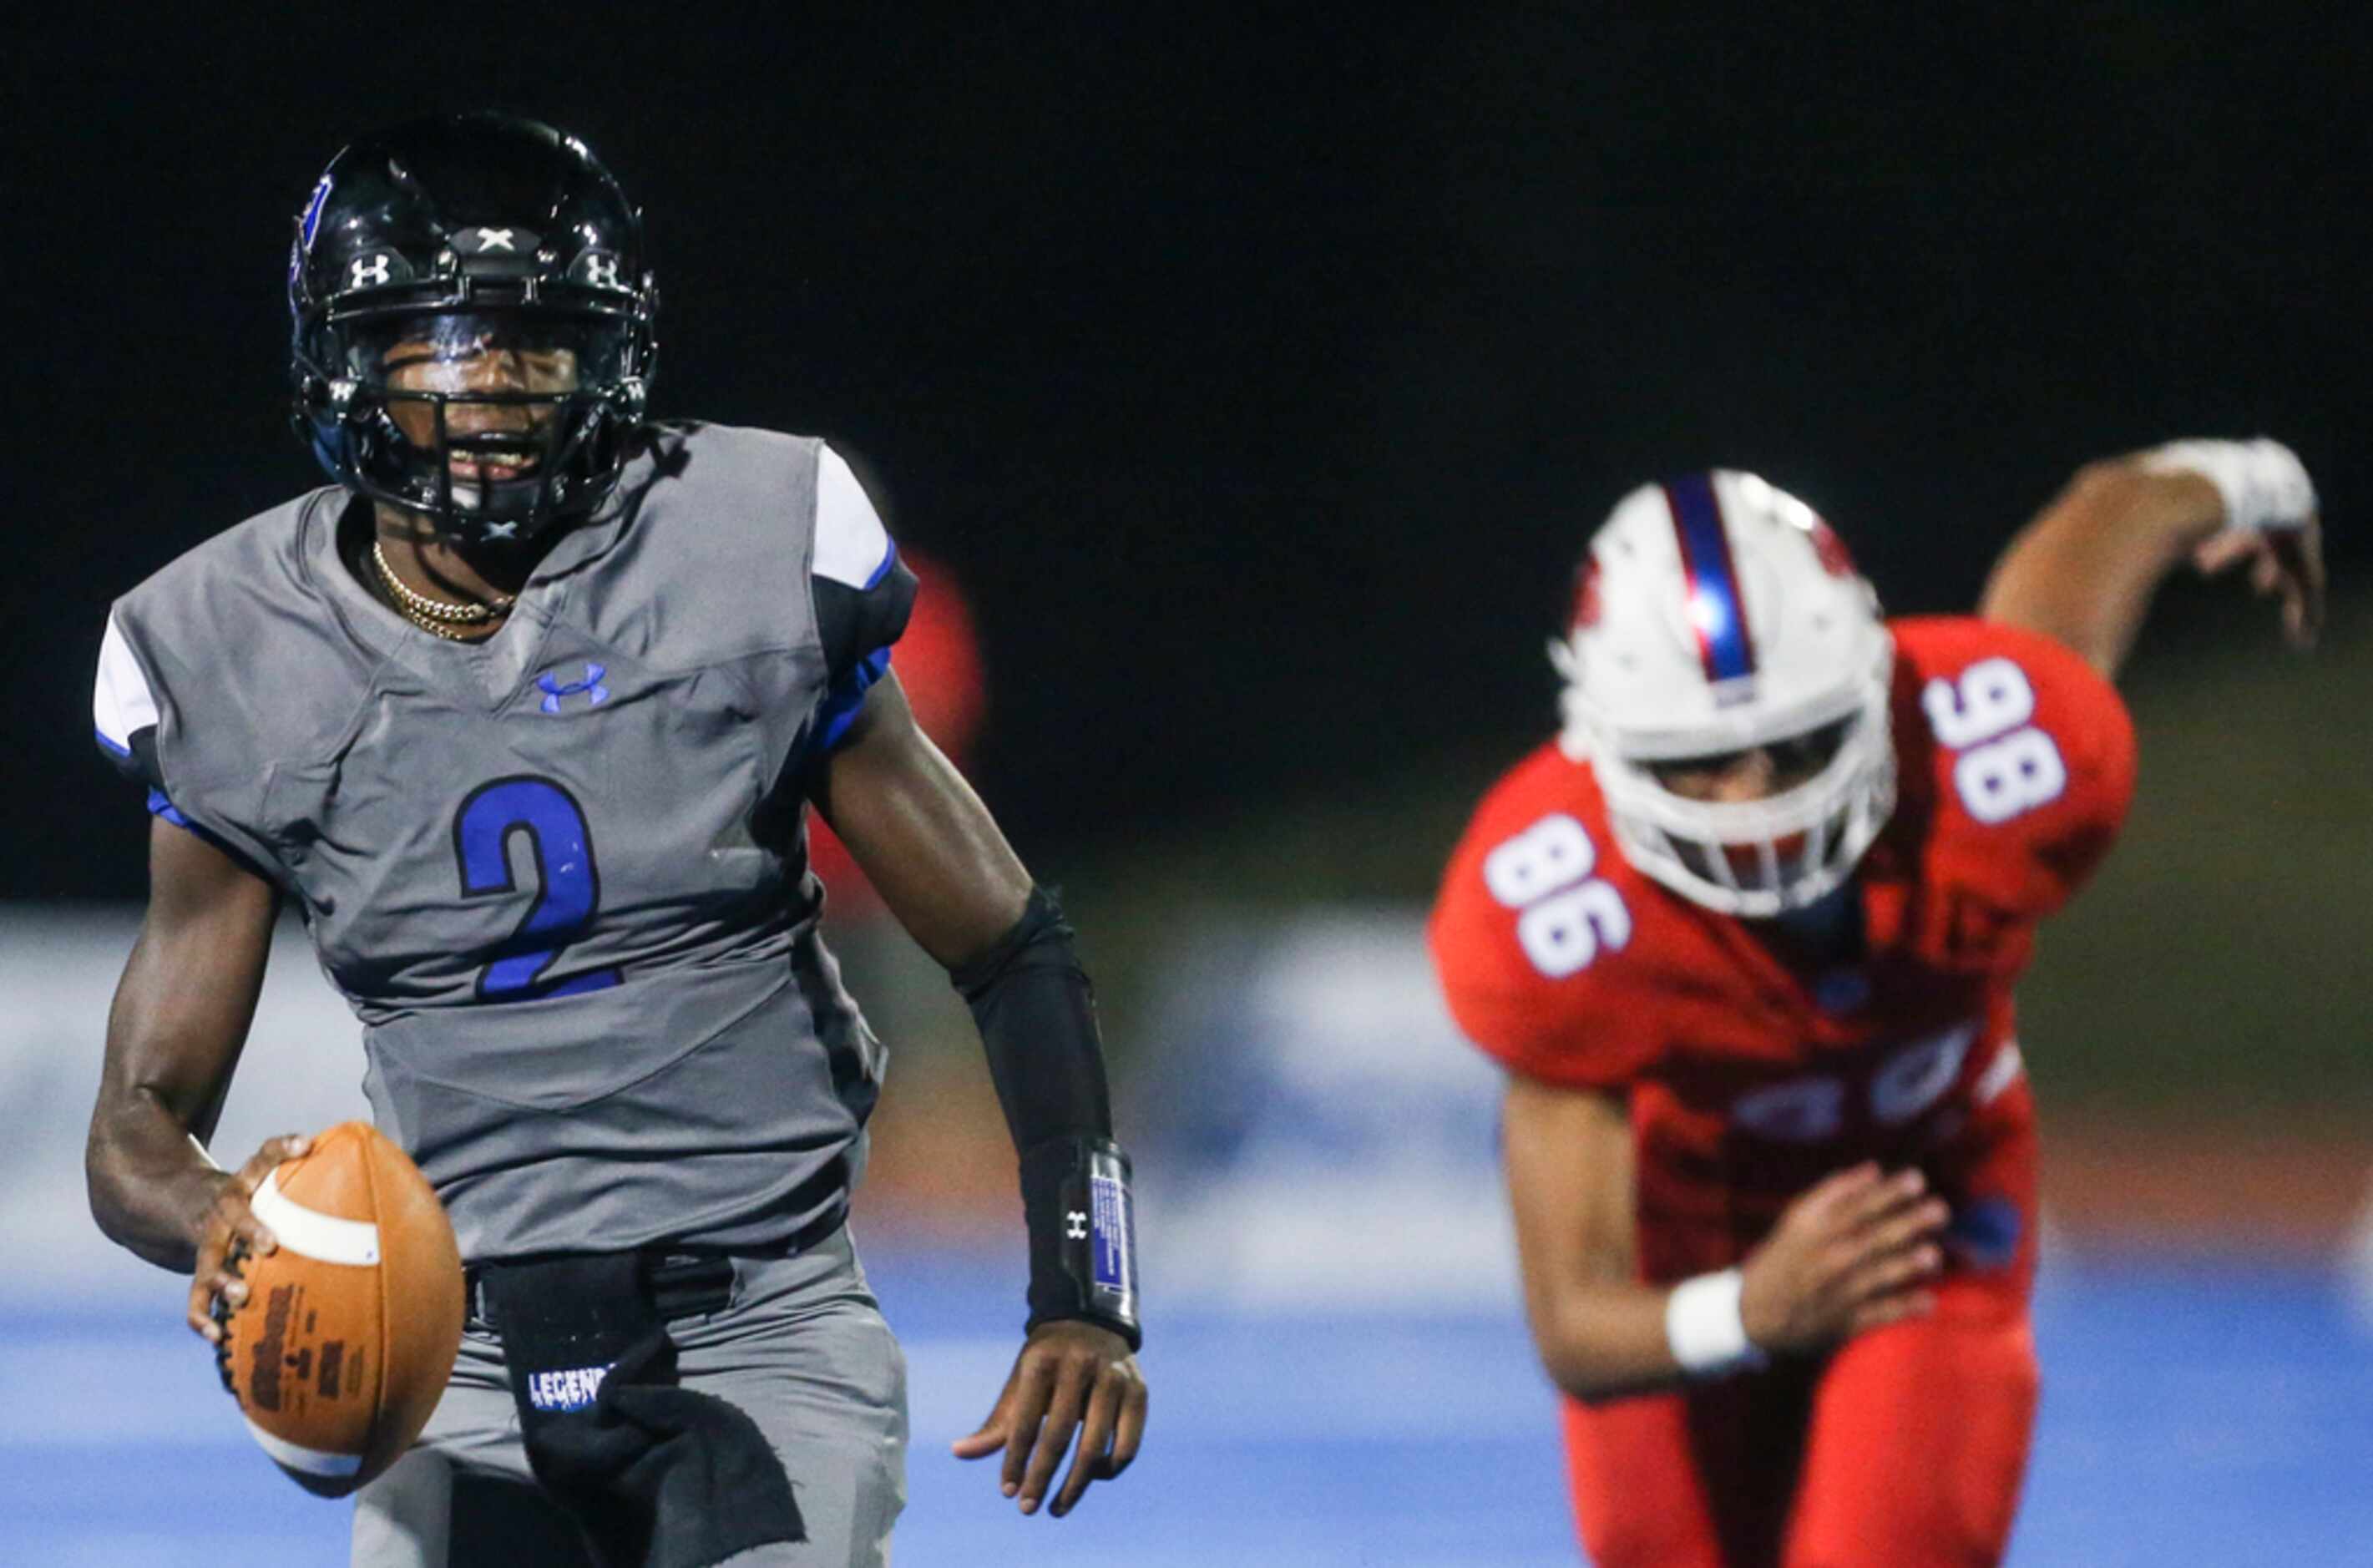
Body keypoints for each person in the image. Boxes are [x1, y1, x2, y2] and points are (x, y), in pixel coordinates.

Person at [83, 112, 1146, 1568]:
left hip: (759, 1325)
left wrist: (1087, 1287)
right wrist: (221, 1223)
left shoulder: (739, 536)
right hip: (448, 1348)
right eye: (440, 353)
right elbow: (133, 1124)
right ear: (348, 363)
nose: (492, 400)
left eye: (533, 352)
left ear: (614, 359)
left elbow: (1012, 946)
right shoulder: (227, 647)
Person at [1429, 448, 2321, 1566]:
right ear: (1604, 745)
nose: (1758, 806)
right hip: (1689, 1249)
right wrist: (1748, 1310)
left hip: (1930, 1214)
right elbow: (1574, 1320)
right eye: (1700, 761)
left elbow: (2108, 516)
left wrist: (2253, 478)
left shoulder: (1987, 750)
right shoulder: (1550, 913)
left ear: (1870, 678)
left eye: (1797, 741)